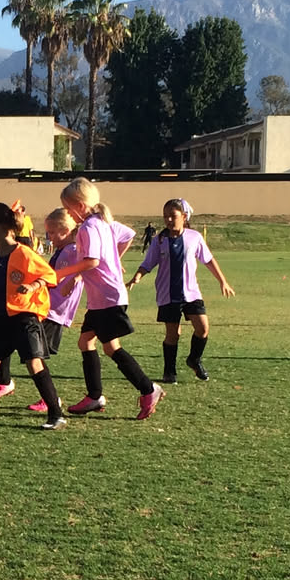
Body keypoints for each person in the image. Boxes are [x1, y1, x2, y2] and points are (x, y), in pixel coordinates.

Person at [50, 179, 161, 419]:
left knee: (111, 348)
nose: (67, 213)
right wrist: (113, 260)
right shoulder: (104, 222)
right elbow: (127, 235)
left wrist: (63, 274)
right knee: (86, 342)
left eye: (68, 208)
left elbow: (92, 261)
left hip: (108, 297)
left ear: (80, 206)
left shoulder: (89, 227)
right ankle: (95, 396)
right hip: (102, 298)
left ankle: (148, 389)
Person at [0, 202, 66, 428]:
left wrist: (33, 286)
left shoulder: (24, 253)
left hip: (24, 318)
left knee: (34, 364)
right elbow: (1, 280)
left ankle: (56, 413)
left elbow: (50, 275)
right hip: (2, 318)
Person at [131, 198, 234, 383]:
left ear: (184, 216)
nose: (169, 220)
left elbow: (208, 260)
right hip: (167, 294)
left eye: (173, 216)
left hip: (191, 293)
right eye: (165, 216)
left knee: (203, 328)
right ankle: (169, 372)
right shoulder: (159, 240)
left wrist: (223, 281)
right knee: (173, 334)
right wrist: (137, 276)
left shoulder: (194, 237)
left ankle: (194, 359)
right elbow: (148, 263)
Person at [28, 208, 84, 413]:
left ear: (66, 230)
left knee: (36, 355)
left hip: (56, 310)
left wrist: (76, 278)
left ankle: (50, 398)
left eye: (52, 232)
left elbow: (88, 266)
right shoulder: (62, 250)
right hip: (47, 307)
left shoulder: (73, 250)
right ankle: (48, 397)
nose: (49, 237)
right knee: (35, 354)